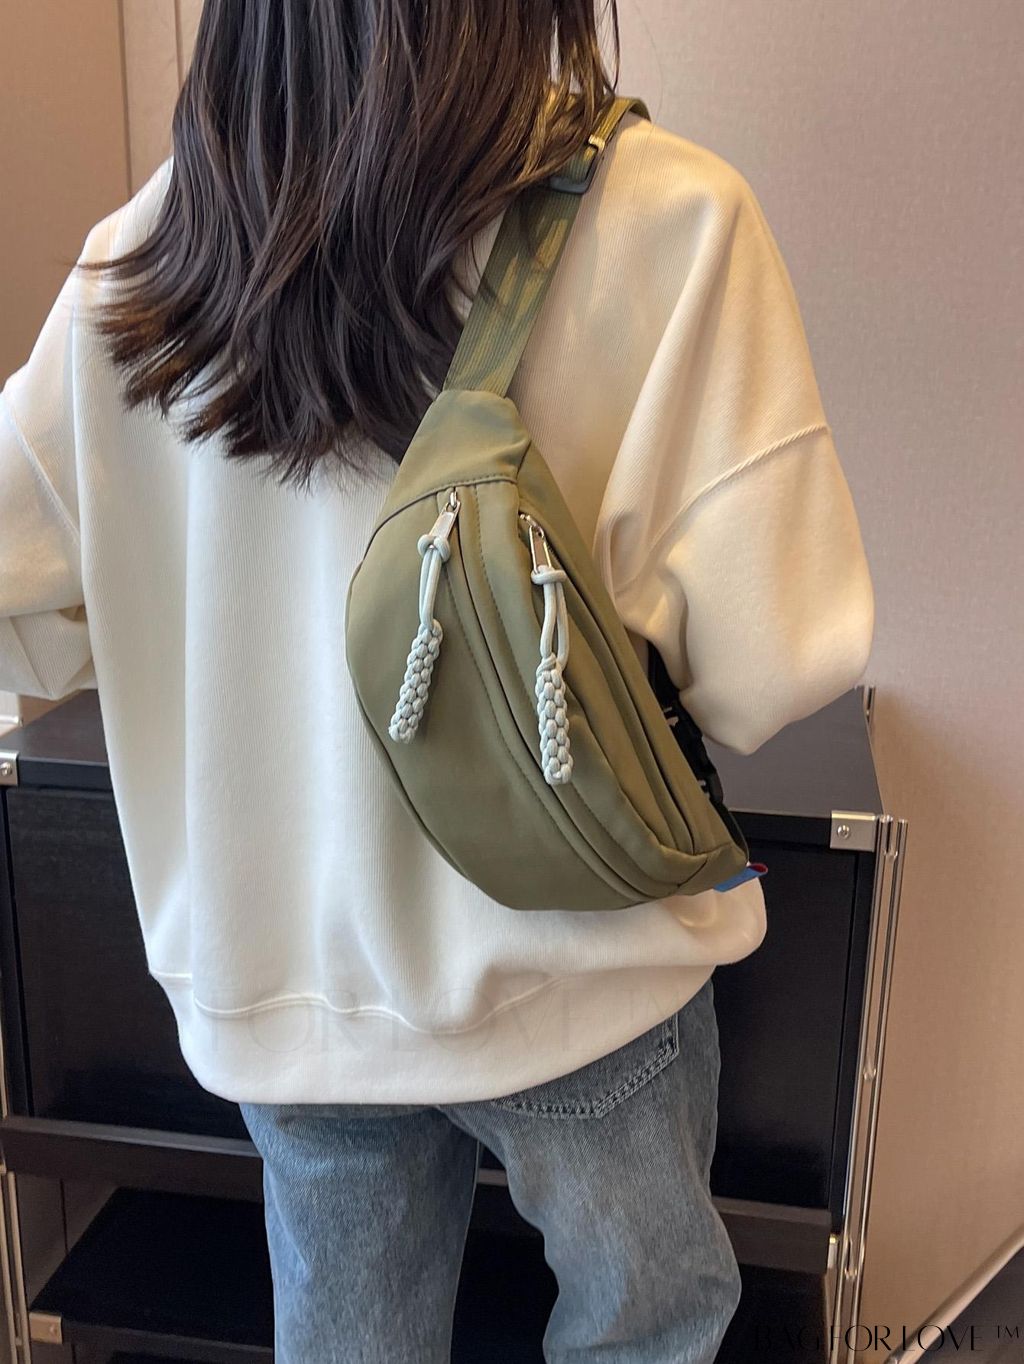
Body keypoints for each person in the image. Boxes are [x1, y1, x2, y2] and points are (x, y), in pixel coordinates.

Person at [0, 2, 875, 1361]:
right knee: (646, 1330)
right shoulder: (671, 216)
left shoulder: (147, 260)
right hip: (587, 958)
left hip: (290, 984)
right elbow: (779, 660)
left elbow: (23, 610)